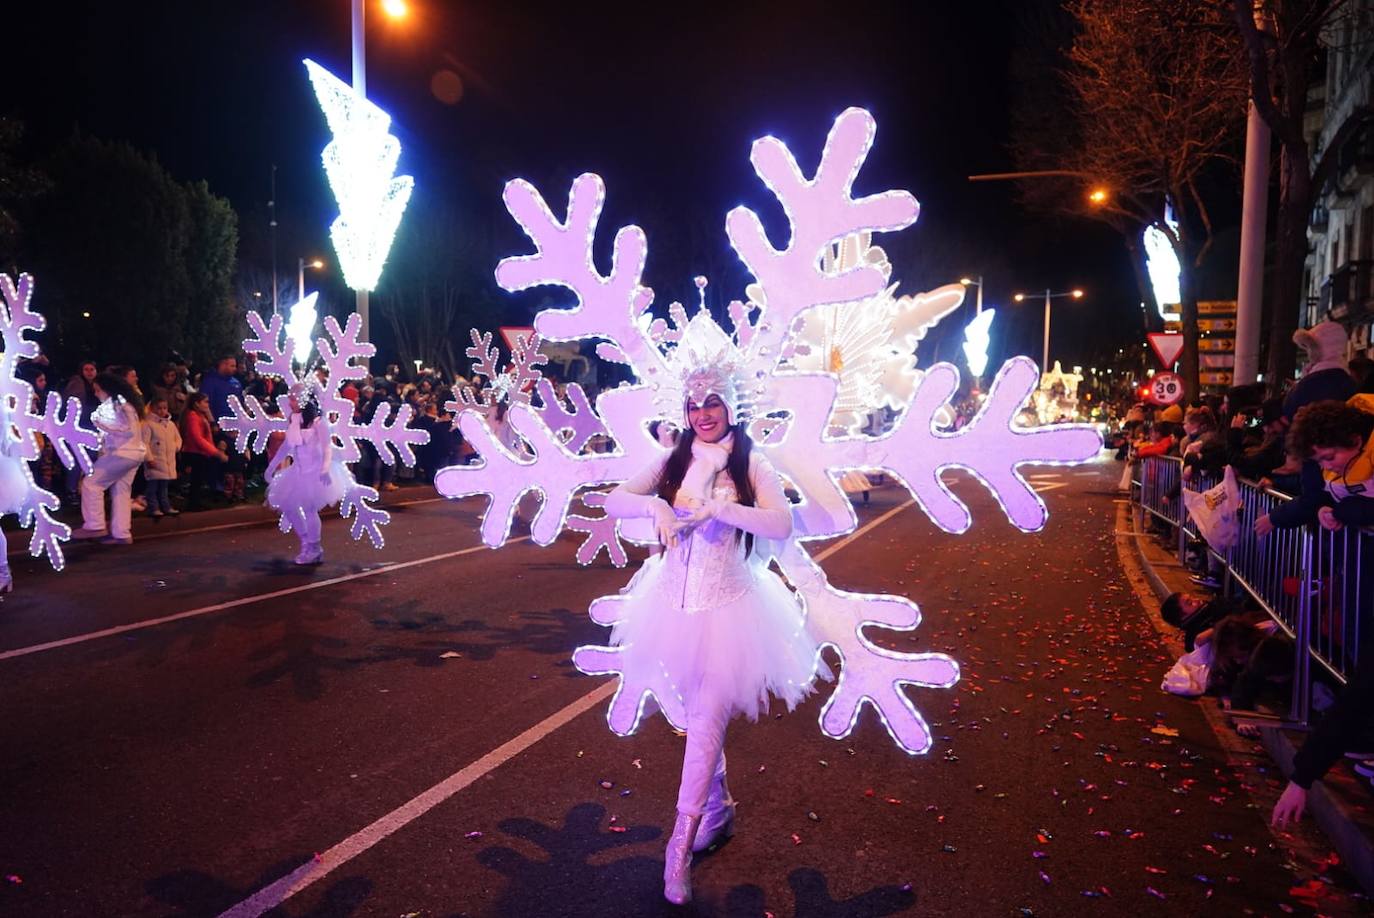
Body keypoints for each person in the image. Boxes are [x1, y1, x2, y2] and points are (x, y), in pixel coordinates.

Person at [601, 379, 820, 904]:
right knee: (689, 715)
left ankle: (678, 848)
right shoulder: (673, 457)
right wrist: (653, 509)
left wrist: (720, 510)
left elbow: (780, 522)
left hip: (731, 616)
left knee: (704, 727)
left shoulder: (750, 462)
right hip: (670, 611)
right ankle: (718, 812)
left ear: (730, 406)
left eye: (712, 403)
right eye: (693, 405)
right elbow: (614, 499)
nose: (702, 414)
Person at [264, 383, 348, 565]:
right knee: (287, 505)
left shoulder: (319, 422)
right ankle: (306, 541)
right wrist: (272, 465)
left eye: (293, 398)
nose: (290, 401)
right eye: (289, 397)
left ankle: (314, 547)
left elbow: (327, 448)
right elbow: (287, 445)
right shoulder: (294, 419)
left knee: (309, 509)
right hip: (298, 471)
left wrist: (325, 468)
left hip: (315, 471)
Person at [71, 372, 146, 545]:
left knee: (91, 483)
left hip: (123, 453)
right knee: (121, 491)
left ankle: (95, 525)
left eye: (98, 390)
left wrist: (100, 423)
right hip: (134, 453)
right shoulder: (125, 404)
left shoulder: (117, 404)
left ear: (107, 389)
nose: (96, 394)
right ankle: (121, 533)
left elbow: (125, 429)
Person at [180, 392, 228, 511]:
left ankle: (195, 502)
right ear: (196, 404)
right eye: (205, 402)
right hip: (195, 452)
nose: (208, 405)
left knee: (199, 479)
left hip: (201, 453)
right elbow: (197, 438)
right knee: (196, 480)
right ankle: (193, 504)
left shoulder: (199, 415)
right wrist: (216, 452)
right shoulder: (192, 416)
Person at [141, 396, 182, 517]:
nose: (162, 411)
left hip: (167, 461)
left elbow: (177, 439)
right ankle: (153, 507)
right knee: (153, 486)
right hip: (155, 460)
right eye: (159, 408)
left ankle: (166, 506)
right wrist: (149, 458)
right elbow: (145, 443)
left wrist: (175, 447)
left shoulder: (170, 425)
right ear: (152, 409)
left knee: (164, 487)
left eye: (165, 408)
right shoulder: (148, 424)